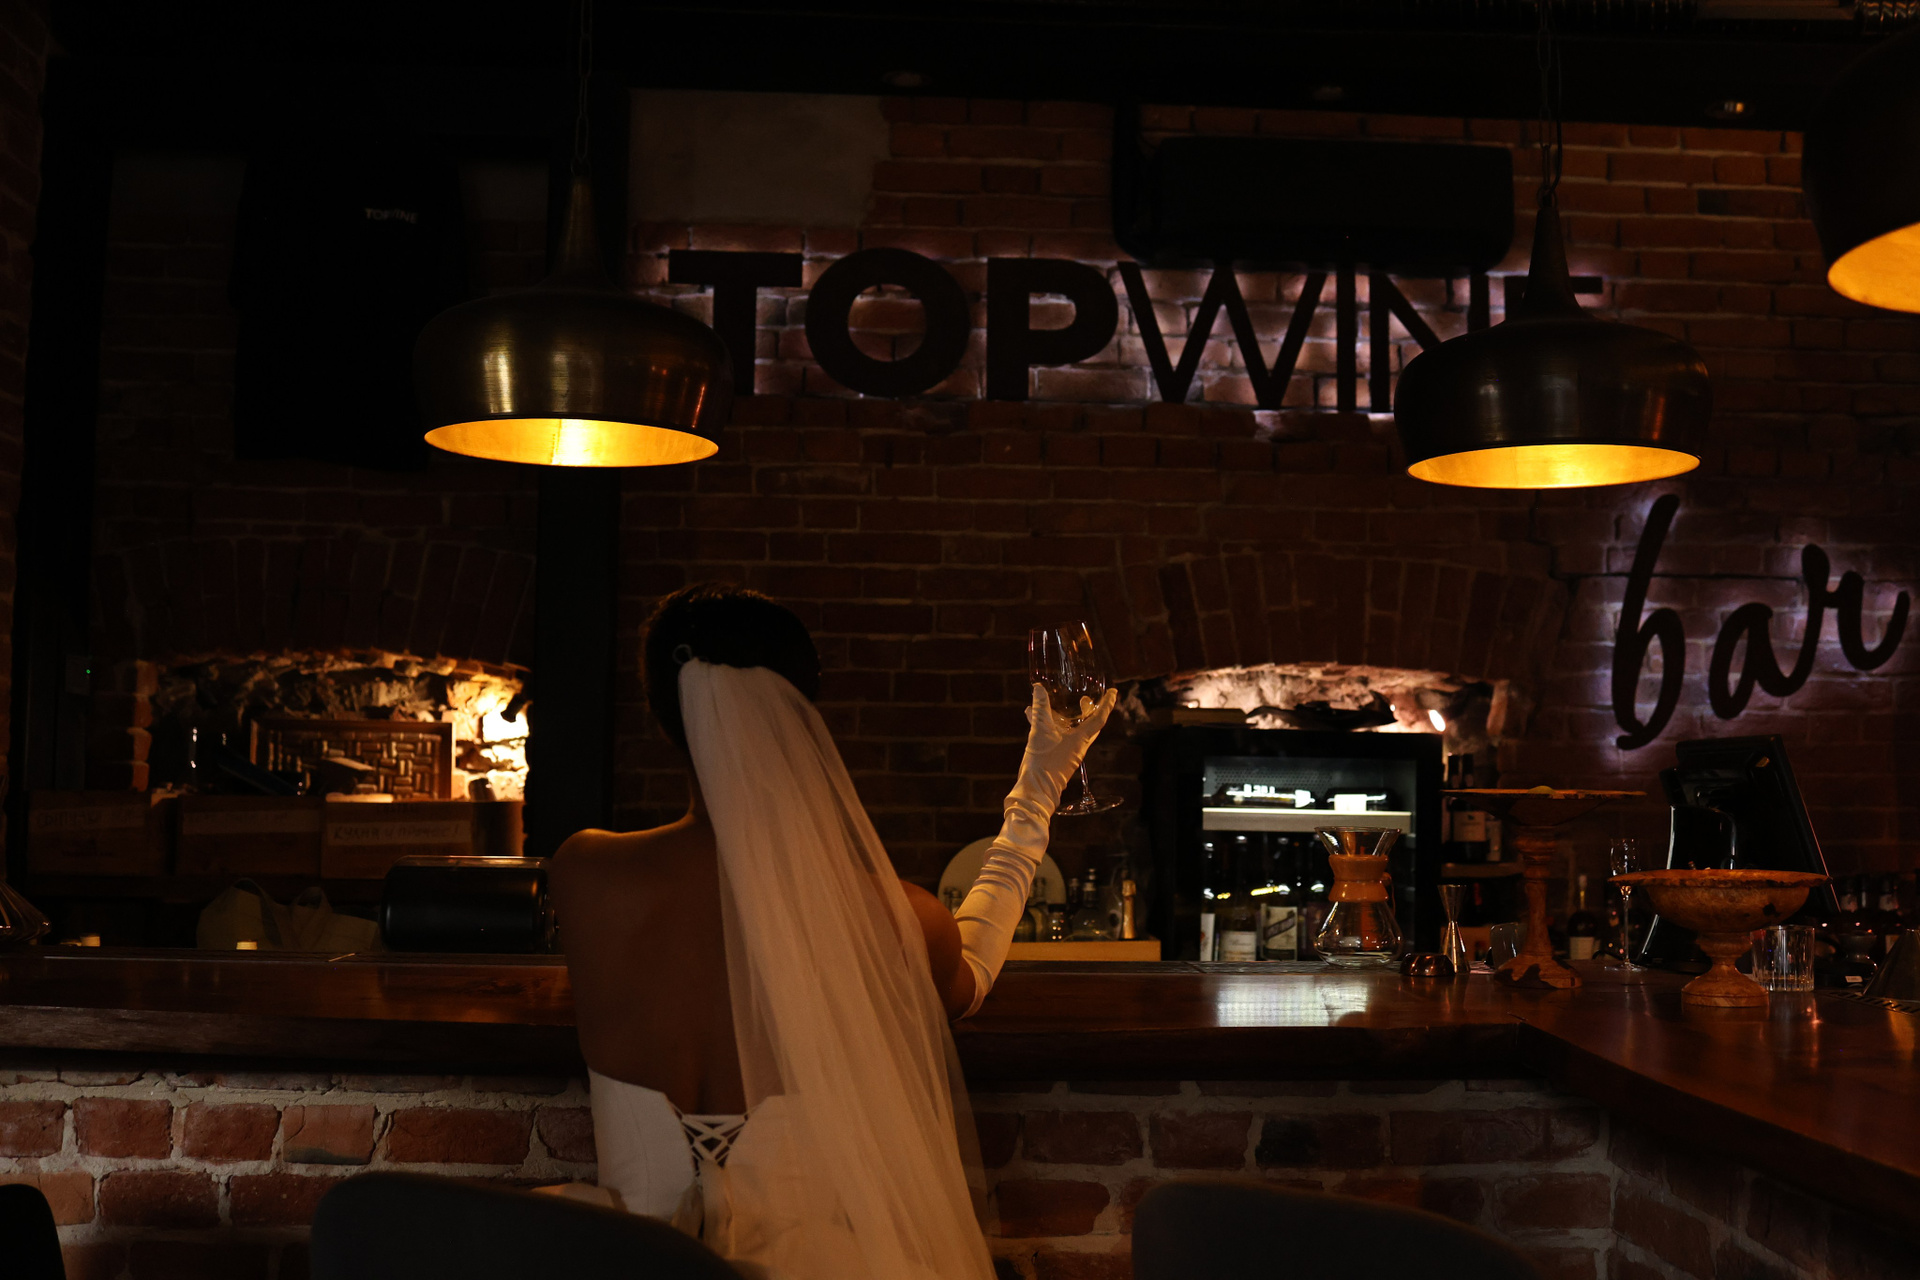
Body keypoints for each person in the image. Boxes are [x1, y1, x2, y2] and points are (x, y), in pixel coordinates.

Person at [552, 584, 1115, 1280]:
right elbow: (973, 971)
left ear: (664, 711)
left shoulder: (585, 875)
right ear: (802, 714)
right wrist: (1037, 791)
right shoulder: (894, 918)